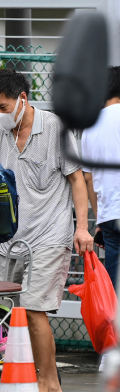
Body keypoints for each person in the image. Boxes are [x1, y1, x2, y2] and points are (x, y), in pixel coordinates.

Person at [0, 69, 94, 392]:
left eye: (2, 106)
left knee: (34, 310)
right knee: (4, 311)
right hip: (9, 240)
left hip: (50, 234)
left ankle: (50, 386)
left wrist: (82, 227)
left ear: (22, 100)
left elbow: (76, 179)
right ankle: (27, 379)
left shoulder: (55, 128)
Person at [82, 66, 120, 290]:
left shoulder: (89, 127)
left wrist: (100, 221)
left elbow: (89, 178)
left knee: (114, 289)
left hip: (109, 217)